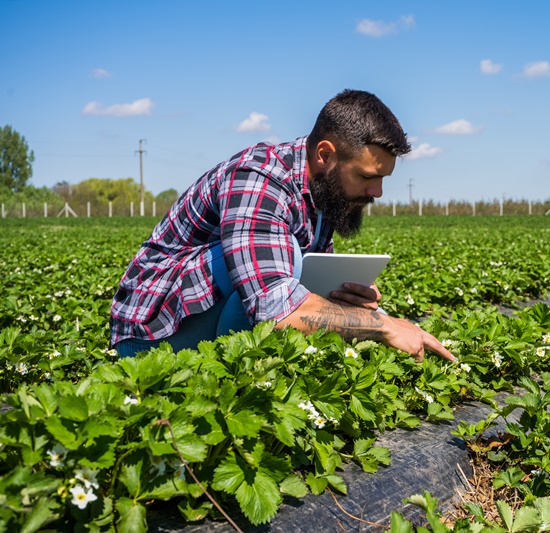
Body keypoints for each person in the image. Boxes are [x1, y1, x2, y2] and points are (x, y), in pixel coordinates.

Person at [110, 89, 454, 363]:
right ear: (325, 154)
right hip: (149, 338)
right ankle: (242, 382)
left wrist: (348, 298)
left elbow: (303, 288)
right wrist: (382, 326)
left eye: (382, 178)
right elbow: (274, 309)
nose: (377, 191)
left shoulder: (323, 193)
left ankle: (248, 372)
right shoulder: (257, 178)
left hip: (215, 318)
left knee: (304, 268)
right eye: (367, 176)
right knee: (286, 255)